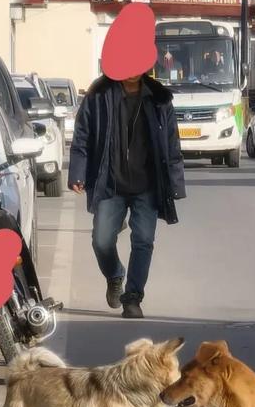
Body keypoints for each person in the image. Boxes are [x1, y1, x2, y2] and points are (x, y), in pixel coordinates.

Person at [69, 66, 185, 319]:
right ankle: (114, 275)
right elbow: (82, 137)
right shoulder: (98, 96)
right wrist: (77, 173)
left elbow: (172, 143)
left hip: (148, 186)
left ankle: (133, 297)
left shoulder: (159, 99)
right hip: (111, 184)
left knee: (143, 240)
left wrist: (175, 183)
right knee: (101, 241)